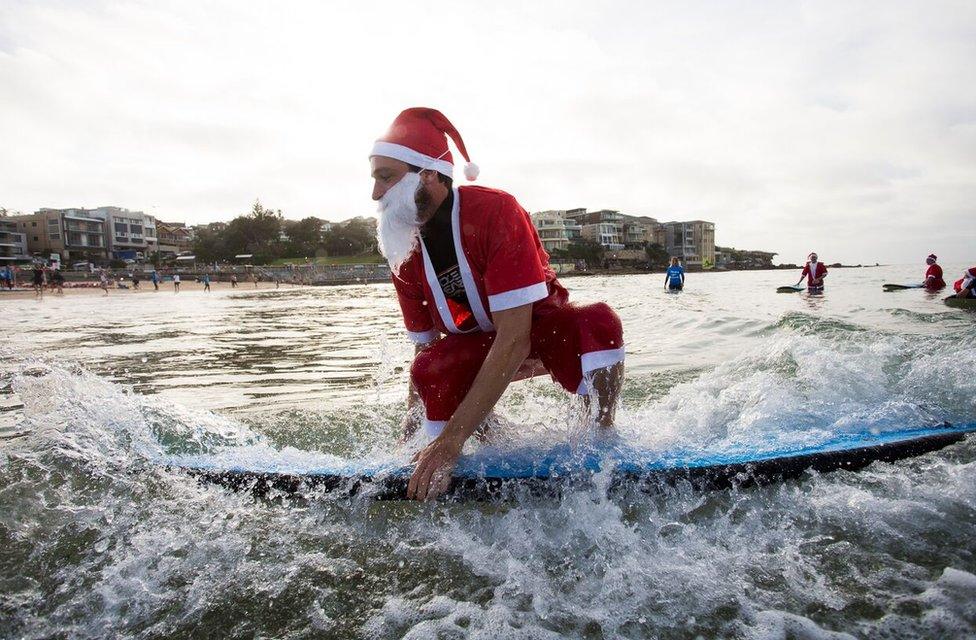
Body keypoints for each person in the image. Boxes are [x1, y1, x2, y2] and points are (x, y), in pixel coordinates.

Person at [370, 107, 625, 501]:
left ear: (430, 174)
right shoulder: (403, 248)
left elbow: (515, 338)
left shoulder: (495, 212)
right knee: (430, 367)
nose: (375, 194)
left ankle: (601, 435)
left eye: (386, 178)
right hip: (476, 345)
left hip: (540, 332)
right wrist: (406, 445)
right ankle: (496, 446)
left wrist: (450, 442)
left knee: (599, 321)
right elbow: (425, 351)